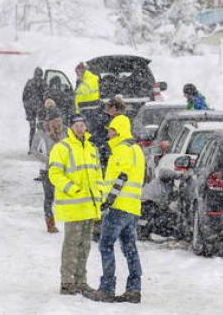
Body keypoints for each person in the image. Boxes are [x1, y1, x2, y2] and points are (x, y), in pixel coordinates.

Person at [85, 114, 145, 304]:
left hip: (118, 207)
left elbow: (121, 177)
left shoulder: (121, 150)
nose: (108, 134)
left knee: (105, 245)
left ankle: (107, 288)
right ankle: (134, 289)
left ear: (118, 131)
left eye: (110, 130)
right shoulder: (137, 150)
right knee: (130, 248)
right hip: (133, 208)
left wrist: (107, 201)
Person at [48, 114, 105, 296]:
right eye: (77, 125)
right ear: (70, 128)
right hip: (73, 207)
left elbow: (97, 175)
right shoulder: (62, 148)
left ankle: (81, 281)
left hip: (89, 206)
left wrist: (100, 195)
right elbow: (55, 174)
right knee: (71, 245)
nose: (80, 128)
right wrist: (72, 189)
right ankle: (67, 282)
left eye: (82, 125)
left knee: (85, 246)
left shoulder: (91, 148)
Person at [37, 102, 65, 233]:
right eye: (56, 121)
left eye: (60, 120)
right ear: (50, 121)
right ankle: (50, 223)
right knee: (49, 197)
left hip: (63, 170)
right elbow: (35, 151)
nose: (58, 123)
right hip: (47, 170)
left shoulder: (65, 133)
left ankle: (69, 221)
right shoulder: (42, 134)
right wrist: (49, 160)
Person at [22, 67, 47, 151]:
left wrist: (27, 109)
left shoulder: (30, 83)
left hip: (33, 109)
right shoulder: (43, 83)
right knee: (39, 129)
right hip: (39, 109)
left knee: (34, 129)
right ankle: (36, 148)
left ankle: (32, 148)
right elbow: (46, 96)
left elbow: (24, 97)